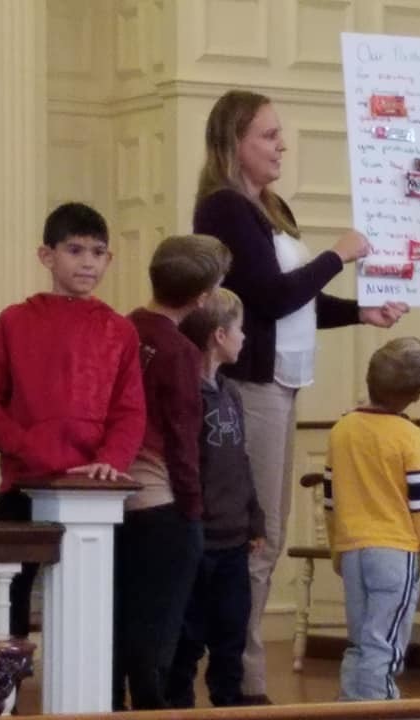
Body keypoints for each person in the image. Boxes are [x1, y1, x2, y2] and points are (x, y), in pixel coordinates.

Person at [192, 89, 409, 703]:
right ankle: (241, 678)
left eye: (279, 133)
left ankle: (240, 668)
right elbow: (269, 294)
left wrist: (361, 311)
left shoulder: (269, 206)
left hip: (282, 383)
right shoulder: (224, 208)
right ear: (234, 142)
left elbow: (299, 300)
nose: (281, 144)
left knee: (272, 534)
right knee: (256, 537)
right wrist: (339, 255)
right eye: (267, 134)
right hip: (252, 384)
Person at [0, 202, 145, 639]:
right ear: (46, 256)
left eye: (98, 252)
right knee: (7, 602)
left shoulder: (119, 330)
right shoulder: (14, 322)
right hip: (24, 486)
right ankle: (0, 703)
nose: (88, 262)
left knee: (93, 605)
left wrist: (111, 459)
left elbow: (129, 409)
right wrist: (26, 446)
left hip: (94, 493)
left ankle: (93, 704)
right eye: (75, 250)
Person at [114, 234, 231, 710]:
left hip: (113, 497)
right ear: (203, 297)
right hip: (162, 502)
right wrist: (193, 510)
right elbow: (183, 439)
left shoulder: (122, 328)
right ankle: (151, 704)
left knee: (118, 611)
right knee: (159, 623)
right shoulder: (181, 352)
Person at [324, 336, 420, 700]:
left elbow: (330, 501)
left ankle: (349, 708)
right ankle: (380, 710)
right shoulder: (411, 436)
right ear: (417, 393)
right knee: (384, 646)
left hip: (353, 551)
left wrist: (336, 550)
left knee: (359, 642)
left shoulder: (341, 429)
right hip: (396, 553)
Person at [168, 288, 265, 708]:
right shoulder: (187, 393)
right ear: (220, 335)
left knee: (231, 633)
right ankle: (177, 705)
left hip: (233, 541)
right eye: (240, 329)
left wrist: (254, 517)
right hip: (196, 540)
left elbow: (240, 461)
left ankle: (229, 702)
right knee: (187, 636)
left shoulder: (231, 393)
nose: (245, 338)